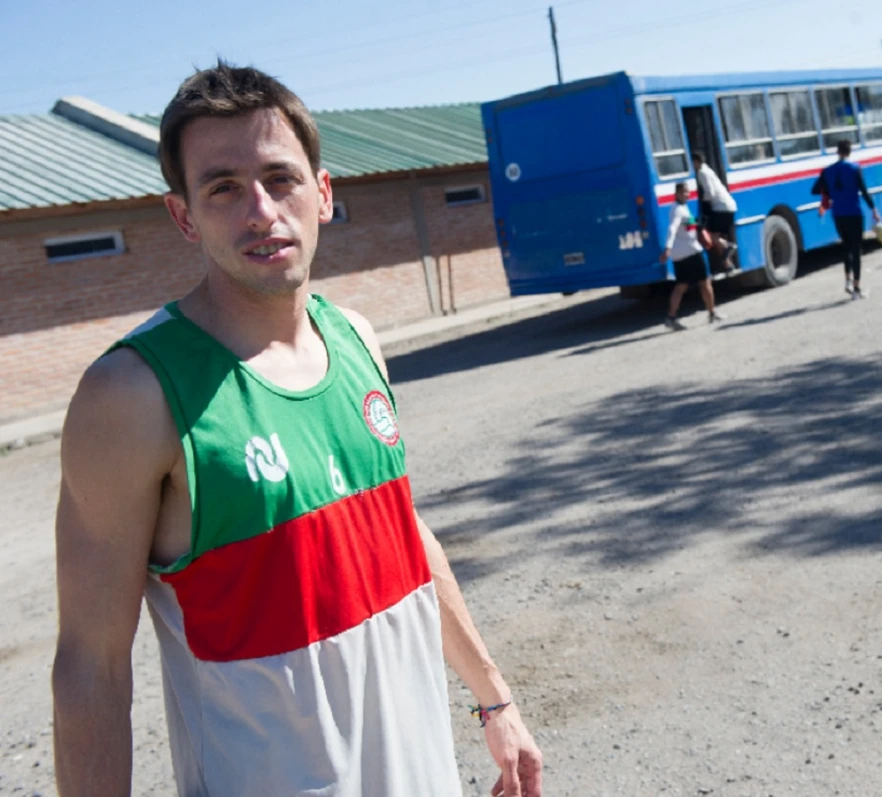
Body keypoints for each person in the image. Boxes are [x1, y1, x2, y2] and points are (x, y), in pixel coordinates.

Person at [51, 62, 542, 797]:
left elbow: (403, 536)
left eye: (280, 178)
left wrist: (494, 696)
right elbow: (90, 666)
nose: (261, 210)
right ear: (183, 215)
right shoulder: (133, 394)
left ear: (324, 192)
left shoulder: (357, 340)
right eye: (222, 187)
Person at [812, 139, 882, 299]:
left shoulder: (827, 171)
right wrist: (874, 209)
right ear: (850, 152)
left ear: (838, 152)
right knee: (856, 250)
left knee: (846, 247)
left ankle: (847, 280)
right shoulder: (855, 168)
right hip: (854, 213)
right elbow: (864, 191)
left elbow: (815, 189)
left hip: (838, 214)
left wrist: (829, 194)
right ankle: (856, 289)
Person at [661, 182, 724, 329]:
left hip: (679, 255)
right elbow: (672, 229)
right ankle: (712, 313)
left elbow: (685, 227)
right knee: (705, 282)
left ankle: (670, 318)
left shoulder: (678, 207)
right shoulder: (678, 210)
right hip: (692, 252)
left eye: (687, 192)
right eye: (683, 192)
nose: (686, 195)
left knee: (681, 286)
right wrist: (667, 248)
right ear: (676, 194)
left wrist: (695, 223)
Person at [691, 151, 738, 270]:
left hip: (720, 208)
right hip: (727, 206)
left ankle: (728, 246)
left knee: (711, 237)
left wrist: (701, 199)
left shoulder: (702, 172)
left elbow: (710, 193)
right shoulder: (708, 170)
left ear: (696, 161)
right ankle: (728, 264)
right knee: (716, 237)